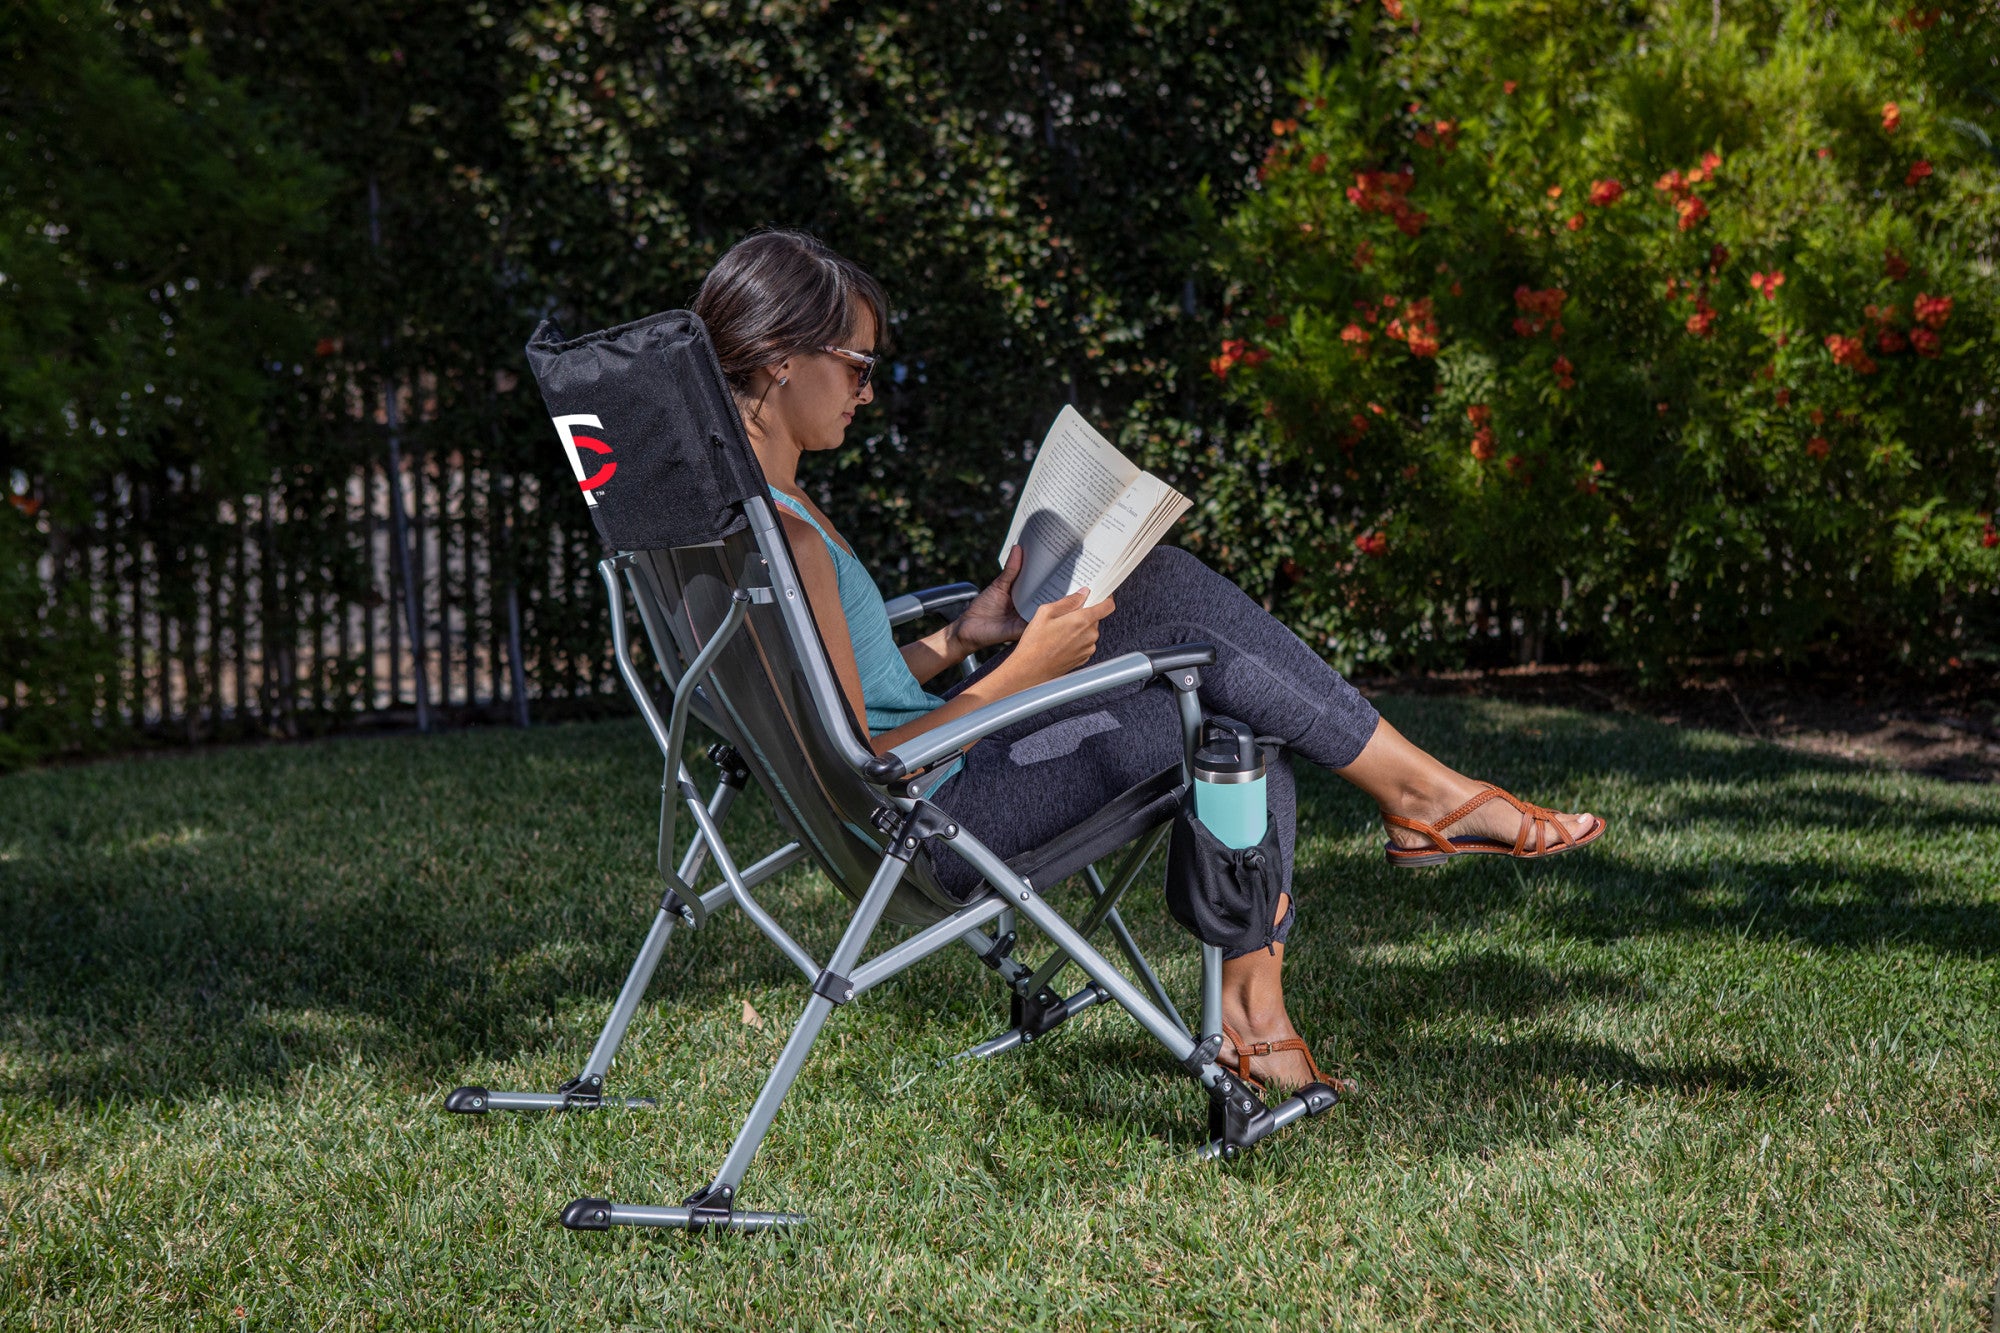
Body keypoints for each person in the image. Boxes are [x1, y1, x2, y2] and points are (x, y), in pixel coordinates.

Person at [693, 230, 1604, 1094]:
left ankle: (1330, 923)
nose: (867, 389)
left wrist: (969, 637)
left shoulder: (747, 521)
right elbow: (861, 764)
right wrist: (1027, 671)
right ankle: (1373, 864)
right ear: (781, 358)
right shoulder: (788, 540)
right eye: (856, 365)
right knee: (1224, 694)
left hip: (924, 796)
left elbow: (843, 696)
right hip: (939, 823)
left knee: (1203, 650)